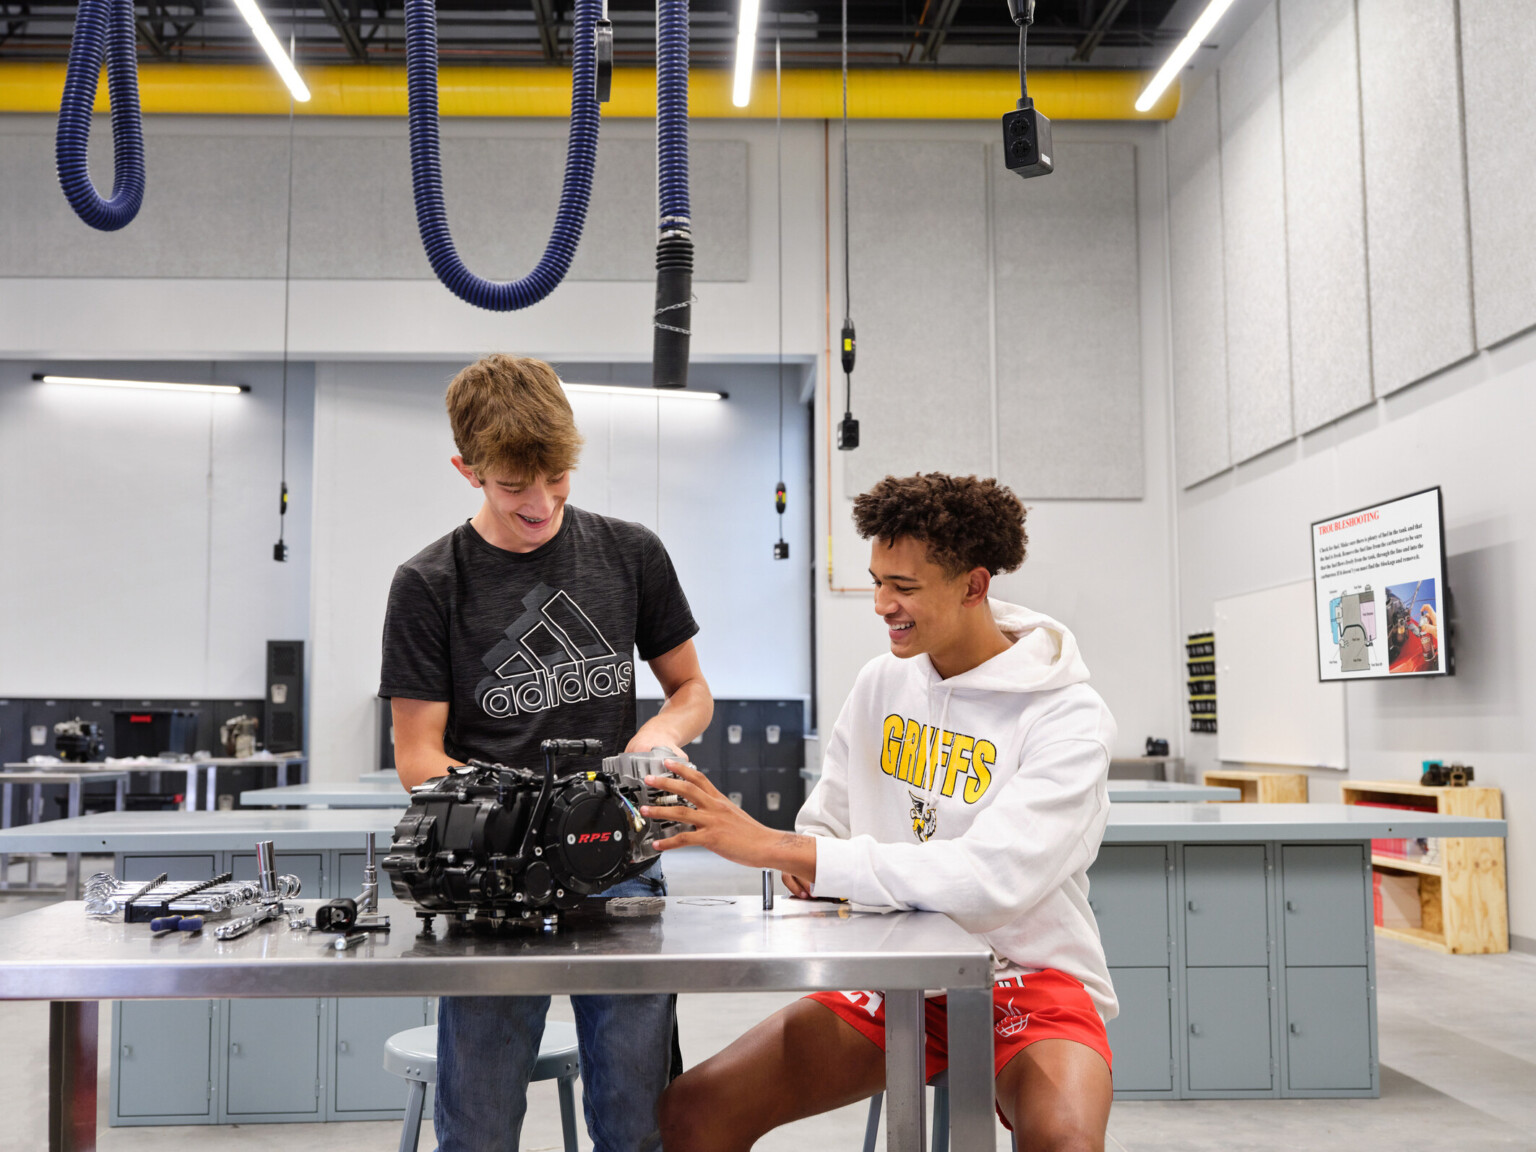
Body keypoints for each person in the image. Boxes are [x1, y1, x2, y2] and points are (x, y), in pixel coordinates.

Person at [648, 472, 1117, 1152]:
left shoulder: (1068, 715)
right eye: (876, 580)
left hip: (1030, 979)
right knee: (694, 1112)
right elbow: (827, 825)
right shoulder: (882, 683)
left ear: (973, 585)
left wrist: (781, 850)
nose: (880, 604)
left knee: (1065, 1141)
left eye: (903, 587)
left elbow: (989, 884)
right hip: (897, 978)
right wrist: (808, 865)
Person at [378, 354, 713, 1152]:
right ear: (467, 471)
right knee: (482, 1120)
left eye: (556, 475)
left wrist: (660, 733)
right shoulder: (429, 582)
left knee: (638, 1118)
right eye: (513, 485)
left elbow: (691, 690)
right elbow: (419, 757)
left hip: (621, 856)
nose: (540, 502)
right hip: (495, 873)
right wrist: (530, 820)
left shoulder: (630, 554)